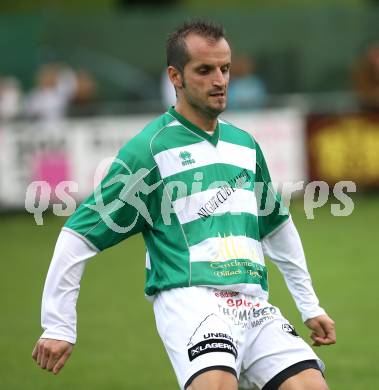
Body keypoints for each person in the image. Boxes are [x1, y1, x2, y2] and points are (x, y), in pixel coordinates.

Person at [32, 20, 335, 390]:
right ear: (175, 76)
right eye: (205, 70)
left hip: (253, 303)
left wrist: (310, 305)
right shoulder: (150, 150)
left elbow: (277, 227)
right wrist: (59, 324)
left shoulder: (245, 146)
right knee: (216, 384)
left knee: (310, 385)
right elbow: (79, 234)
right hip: (191, 300)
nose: (220, 80)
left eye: (224, 68)